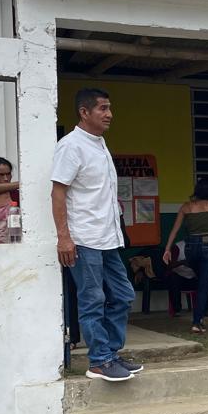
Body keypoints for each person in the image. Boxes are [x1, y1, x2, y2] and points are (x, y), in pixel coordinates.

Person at [51, 87, 141, 382]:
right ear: (84, 112)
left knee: (123, 295)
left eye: (109, 108)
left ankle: (110, 354)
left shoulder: (99, 144)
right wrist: (64, 237)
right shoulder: (71, 146)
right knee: (92, 300)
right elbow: (58, 192)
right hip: (84, 239)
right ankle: (99, 361)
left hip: (108, 239)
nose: (109, 114)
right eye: (103, 108)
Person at [162, 177, 208, 334]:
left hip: (191, 247)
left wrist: (167, 249)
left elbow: (175, 230)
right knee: (204, 284)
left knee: (200, 281)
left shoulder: (186, 207)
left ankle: (199, 318)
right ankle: (197, 321)